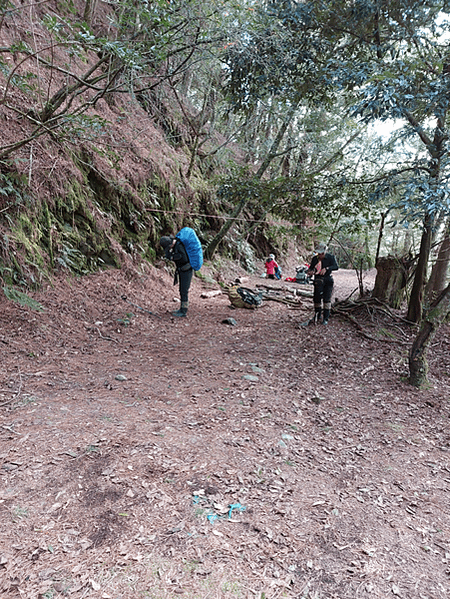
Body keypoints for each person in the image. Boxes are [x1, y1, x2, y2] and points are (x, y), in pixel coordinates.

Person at [160, 235, 193, 317]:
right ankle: (182, 309)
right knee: (182, 290)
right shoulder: (177, 244)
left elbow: (184, 258)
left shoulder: (179, 246)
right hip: (183, 270)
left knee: (184, 291)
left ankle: (183, 311)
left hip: (186, 270)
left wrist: (172, 257)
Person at [306, 242, 338, 325]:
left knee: (326, 300)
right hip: (318, 280)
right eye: (319, 253)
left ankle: (326, 318)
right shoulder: (314, 259)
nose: (320, 255)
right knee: (316, 299)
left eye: (322, 253)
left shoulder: (331, 257)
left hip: (328, 280)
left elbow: (336, 267)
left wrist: (327, 268)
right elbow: (311, 268)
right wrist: (310, 272)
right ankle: (317, 315)